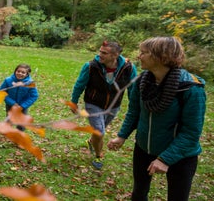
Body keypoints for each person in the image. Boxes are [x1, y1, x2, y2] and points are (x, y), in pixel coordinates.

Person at [107, 37, 206, 201]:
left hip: (181, 156)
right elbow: (134, 112)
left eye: (144, 53)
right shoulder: (141, 82)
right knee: (138, 194)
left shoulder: (191, 89)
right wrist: (122, 136)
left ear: (161, 57)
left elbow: (191, 133)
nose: (139, 56)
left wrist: (165, 159)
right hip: (143, 148)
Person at [70, 41, 137, 170]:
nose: (99, 54)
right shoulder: (91, 66)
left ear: (115, 55)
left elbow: (133, 88)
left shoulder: (128, 68)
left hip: (114, 106)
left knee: (98, 131)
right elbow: (80, 84)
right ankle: (98, 155)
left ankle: (91, 142)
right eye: (100, 51)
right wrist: (73, 101)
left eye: (104, 53)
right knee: (99, 132)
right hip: (93, 103)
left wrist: (134, 106)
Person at [0, 63, 39, 131]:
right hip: (10, 105)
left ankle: (19, 134)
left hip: (22, 106)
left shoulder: (30, 83)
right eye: (18, 71)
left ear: (27, 74)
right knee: (9, 119)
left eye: (23, 72)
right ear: (15, 71)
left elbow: (34, 96)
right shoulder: (8, 80)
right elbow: (1, 92)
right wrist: (12, 103)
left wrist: (23, 106)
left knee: (22, 122)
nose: (20, 73)